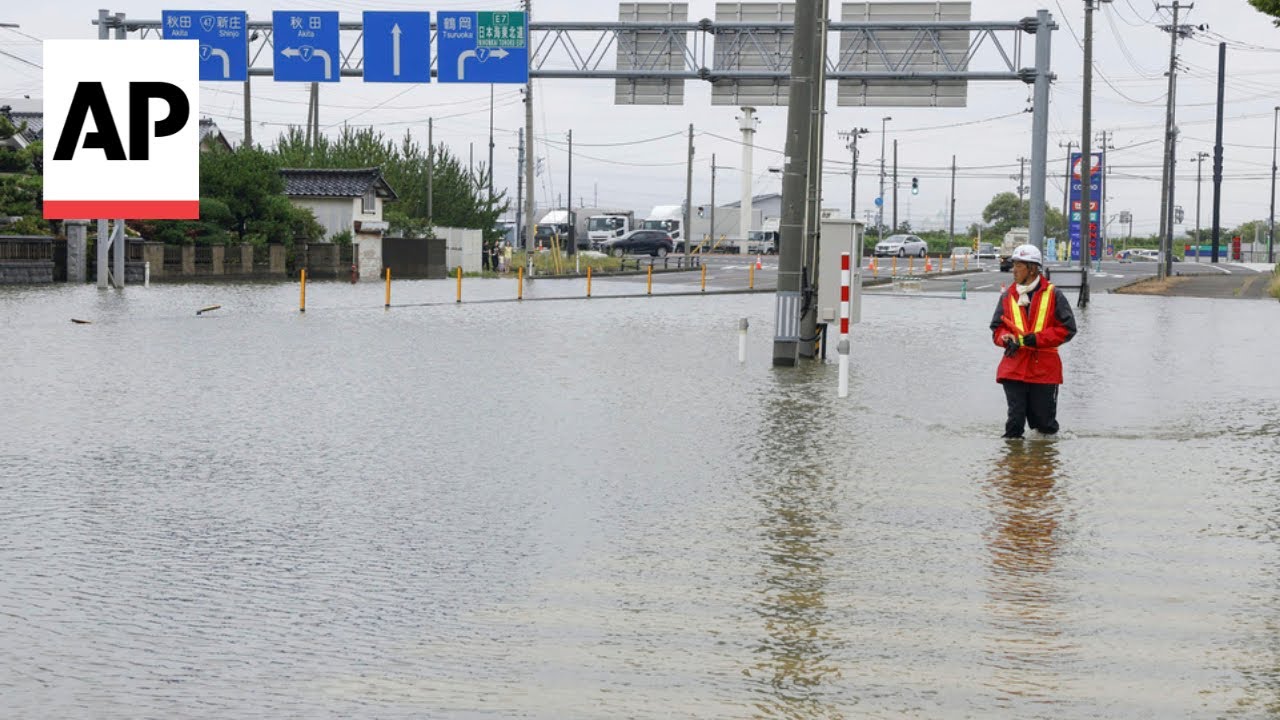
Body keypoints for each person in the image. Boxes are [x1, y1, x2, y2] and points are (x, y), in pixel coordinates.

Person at [990, 244, 1077, 439]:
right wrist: (1006, 339)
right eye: (1014, 265)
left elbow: (1068, 329)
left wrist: (1037, 339)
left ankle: (1040, 466)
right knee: (1014, 423)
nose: (1014, 270)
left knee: (1044, 426)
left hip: (1044, 368)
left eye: (1019, 266)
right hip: (1014, 365)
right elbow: (997, 328)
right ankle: (1016, 467)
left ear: (1032, 269)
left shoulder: (1054, 294)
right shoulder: (1007, 296)